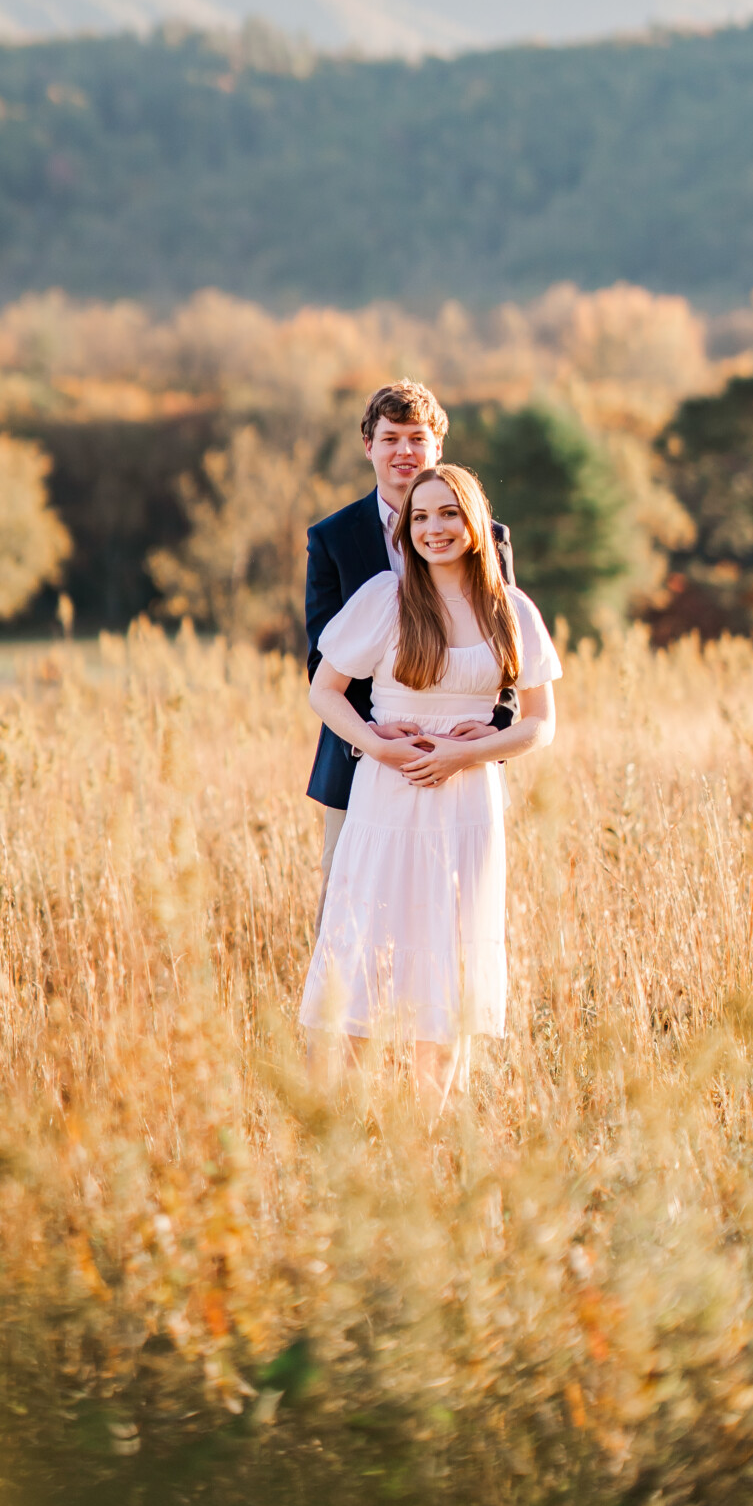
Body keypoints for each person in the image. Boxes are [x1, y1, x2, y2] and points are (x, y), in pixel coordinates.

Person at [299, 462, 560, 1117]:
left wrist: (467, 752)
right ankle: (345, 1125)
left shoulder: (509, 609)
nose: (433, 528)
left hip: (467, 807)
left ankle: (425, 1132)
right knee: (364, 953)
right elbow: (323, 691)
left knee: (448, 959)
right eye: (419, 517)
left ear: (473, 521)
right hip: (388, 797)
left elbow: (538, 724)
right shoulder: (383, 599)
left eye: (447, 513)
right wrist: (377, 743)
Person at [305, 381, 514, 910]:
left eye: (417, 438)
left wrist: (490, 732)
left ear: (437, 447)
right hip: (360, 757)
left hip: (462, 764)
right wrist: (375, 738)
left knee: (455, 909)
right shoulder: (332, 538)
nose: (404, 451)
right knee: (349, 907)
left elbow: (510, 656)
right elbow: (322, 662)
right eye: (390, 437)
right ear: (368, 446)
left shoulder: (488, 535)